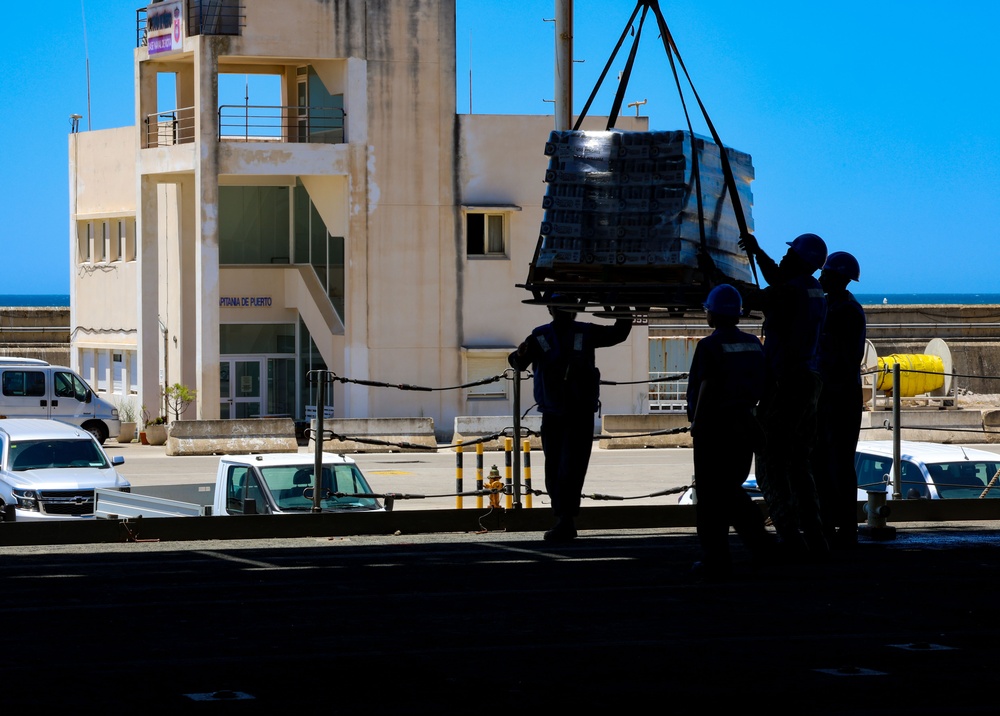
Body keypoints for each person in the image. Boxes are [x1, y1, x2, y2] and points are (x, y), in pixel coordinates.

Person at [508, 297, 632, 541]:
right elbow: (519, 362)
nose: (566, 313)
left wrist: (621, 306)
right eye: (562, 307)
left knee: (570, 469)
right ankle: (563, 518)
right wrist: (517, 356)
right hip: (555, 414)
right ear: (551, 309)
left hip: (577, 414)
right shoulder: (541, 337)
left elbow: (619, 333)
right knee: (556, 469)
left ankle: (565, 519)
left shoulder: (585, 333)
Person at [737, 232, 829, 558]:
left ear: (801, 261)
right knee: (799, 463)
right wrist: (758, 252)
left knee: (770, 463)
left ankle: (790, 537)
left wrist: (715, 277)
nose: (784, 258)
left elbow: (754, 297)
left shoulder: (790, 293)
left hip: (786, 384)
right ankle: (815, 535)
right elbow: (777, 278)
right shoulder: (812, 289)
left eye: (790, 254)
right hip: (808, 382)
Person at [687, 284, 773, 579]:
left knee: (712, 496)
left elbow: (707, 386)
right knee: (731, 487)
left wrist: (697, 423)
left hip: (715, 428)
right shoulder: (753, 344)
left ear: (712, 314)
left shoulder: (709, 346)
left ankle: (718, 557)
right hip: (744, 425)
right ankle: (759, 544)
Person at [813, 251, 867, 548]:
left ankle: (842, 526)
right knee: (826, 460)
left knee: (837, 461)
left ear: (838, 278)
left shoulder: (842, 311)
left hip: (839, 393)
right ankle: (834, 523)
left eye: (826, 273)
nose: (820, 277)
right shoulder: (838, 306)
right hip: (837, 390)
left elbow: (838, 358)